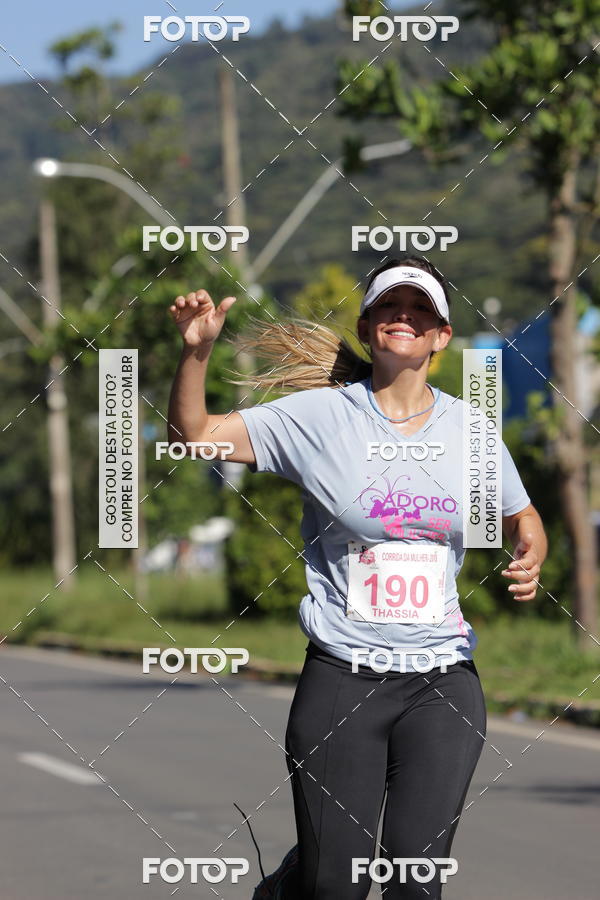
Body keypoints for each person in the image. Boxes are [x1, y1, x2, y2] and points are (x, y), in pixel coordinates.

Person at [167, 256, 547, 900]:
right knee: (333, 887)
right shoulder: (319, 418)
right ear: (369, 327)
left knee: (413, 881)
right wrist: (198, 355)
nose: (406, 318)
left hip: (443, 682)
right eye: (390, 308)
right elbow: (194, 434)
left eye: (420, 310)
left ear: (441, 335)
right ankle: (291, 885)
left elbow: (521, 514)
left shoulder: (472, 430)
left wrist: (529, 548)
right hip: (344, 677)